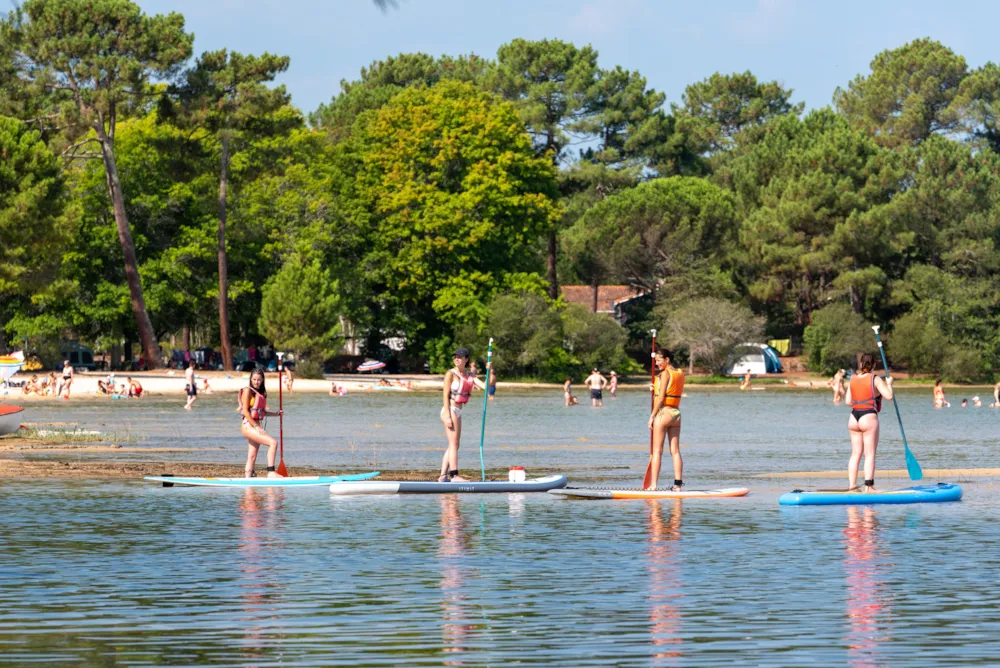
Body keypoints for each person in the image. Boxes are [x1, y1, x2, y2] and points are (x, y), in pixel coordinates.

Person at [438, 347, 491, 482]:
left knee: (454, 444)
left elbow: (485, 387)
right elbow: (444, 395)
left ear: (466, 359)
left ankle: (442, 476)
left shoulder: (469, 375)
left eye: (459, 357)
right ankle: (454, 475)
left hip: (458, 410)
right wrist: (448, 416)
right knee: (454, 444)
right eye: (455, 356)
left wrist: (488, 371)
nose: (456, 359)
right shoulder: (450, 373)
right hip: (449, 409)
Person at [845, 352, 894, 493]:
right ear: (873, 365)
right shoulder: (875, 379)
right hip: (868, 417)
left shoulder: (853, 378)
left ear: (861, 364)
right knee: (870, 454)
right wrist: (889, 384)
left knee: (855, 454)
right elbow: (889, 396)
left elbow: (848, 401)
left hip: (854, 417)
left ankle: (852, 486)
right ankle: (869, 486)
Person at [646, 347, 685, 491]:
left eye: (659, 360)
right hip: (676, 414)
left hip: (664, 414)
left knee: (657, 451)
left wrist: (652, 416)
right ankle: (678, 485)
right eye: (655, 361)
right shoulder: (679, 373)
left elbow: (661, 398)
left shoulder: (665, 374)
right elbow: (668, 389)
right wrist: (655, 387)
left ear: (667, 360)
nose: (656, 364)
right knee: (675, 451)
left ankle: (654, 485)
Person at [239, 367, 284, 478]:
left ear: (262, 380)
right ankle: (271, 472)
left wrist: (276, 414)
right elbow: (245, 411)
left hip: (255, 425)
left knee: (252, 455)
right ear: (250, 379)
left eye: (258, 380)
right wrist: (256, 427)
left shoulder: (261, 393)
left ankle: (247, 480)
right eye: (254, 379)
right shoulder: (247, 391)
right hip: (248, 425)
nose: (256, 382)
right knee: (273, 443)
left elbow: (261, 412)